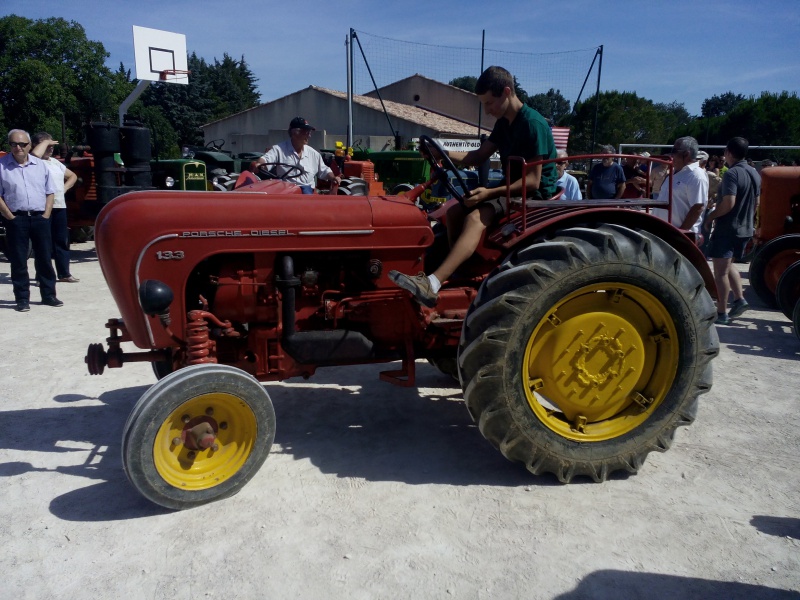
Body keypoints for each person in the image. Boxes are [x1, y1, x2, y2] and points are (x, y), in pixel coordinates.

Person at [388, 65, 557, 307]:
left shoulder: (532, 124)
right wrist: (441, 153)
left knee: (476, 217)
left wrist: (488, 193)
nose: (487, 111)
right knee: (455, 211)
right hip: (510, 186)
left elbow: (533, 181)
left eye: (489, 103)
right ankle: (458, 272)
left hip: (533, 195)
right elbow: (477, 156)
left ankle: (433, 283)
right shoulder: (504, 124)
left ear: (507, 92)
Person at [0, 129, 62, 312]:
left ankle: (49, 295)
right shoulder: (2, 166)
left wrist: (46, 214)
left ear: (29, 145)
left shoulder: (40, 165)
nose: (18, 147)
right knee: (18, 260)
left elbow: (50, 191)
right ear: (9, 145)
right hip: (16, 219)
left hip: (39, 218)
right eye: (13, 144)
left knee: (44, 258)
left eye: (22, 144)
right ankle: (22, 299)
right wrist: (10, 217)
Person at [703, 137, 761, 325]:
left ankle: (721, 313)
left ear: (728, 152)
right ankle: (739, 299)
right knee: (728, 265)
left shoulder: (732, 174)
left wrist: (711, 216)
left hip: (728, 228)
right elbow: (756, 203)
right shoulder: (754, 173)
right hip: (745, 229)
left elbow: (729, 202)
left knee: (719, 272)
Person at [31, 132, 79, 283]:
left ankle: (64, 273)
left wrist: (63, 189)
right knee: (43, 242)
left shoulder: (55, 162)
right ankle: (42, 276)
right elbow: (33, 156)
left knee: (61, 240)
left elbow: (73, 176)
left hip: (59, 205)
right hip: (43, 206)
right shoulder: (34, 162)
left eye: (52, 146)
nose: (51, 148)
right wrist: (44, 143)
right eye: (47, 145)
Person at [255, 117, 340, 194]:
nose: (309, 136)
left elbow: (324, 170)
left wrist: (333, 178)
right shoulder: (278, 149)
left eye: (309, 133)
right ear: (295, 133)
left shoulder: (313, 154)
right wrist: (258, 164)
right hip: (286, 192)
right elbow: (265, 160)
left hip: (308, 192)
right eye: (306, 132)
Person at [652, 137, 708, 235]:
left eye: (674, 151)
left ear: (686, 154)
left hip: (678, 236)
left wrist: (680, 234)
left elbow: (698, 207)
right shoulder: (674, 173)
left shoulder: (696, 176)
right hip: (663, 232)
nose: (671, 155)